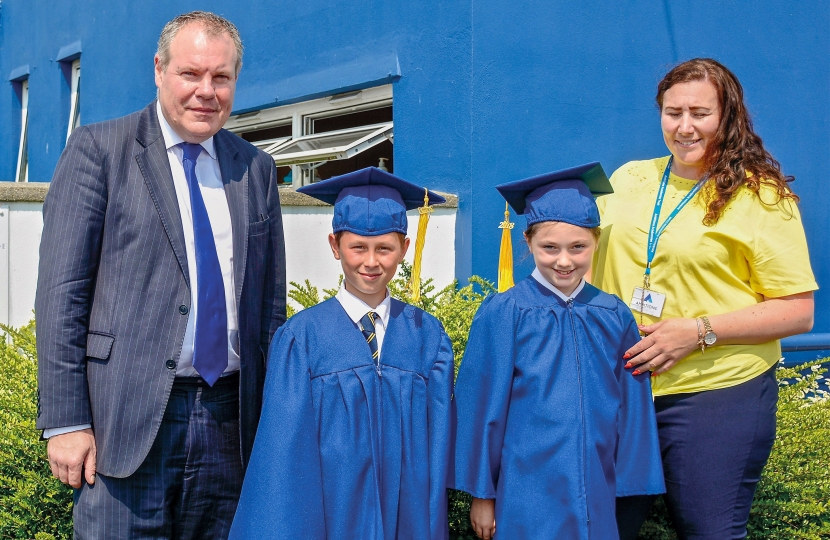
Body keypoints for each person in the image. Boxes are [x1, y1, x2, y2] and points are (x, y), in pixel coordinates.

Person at [35, 11, 286, 538]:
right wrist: (66, 422)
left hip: (229, 421)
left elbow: (267, 306)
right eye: (191, 74)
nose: (206, 91)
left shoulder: (255, 168)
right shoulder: (99, 151)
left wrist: (272, 423)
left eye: (221, 77)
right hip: (124, 421)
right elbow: (62, 296)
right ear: (158, 69)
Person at [591, 58, 817, 539]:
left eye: (700, 113)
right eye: (673, 113)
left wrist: (697, 331)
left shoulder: (761, 197)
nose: (685, 126)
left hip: (715, 392)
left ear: (727, 116)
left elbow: (798, 310)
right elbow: (587, 263)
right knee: (601, 528)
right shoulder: (630, 179)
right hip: (623, 390)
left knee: (708, 530)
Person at [229, 167, 455, 540]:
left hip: (409, 515)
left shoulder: (426, 334)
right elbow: (283, 452)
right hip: (328, 514)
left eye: (384, 248)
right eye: (358, 248)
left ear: (404, 249)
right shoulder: (301, 338)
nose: (371, 262)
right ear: (335, 246)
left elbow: (439, 442)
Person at [452, 163, 665, 540]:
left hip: (598, 485)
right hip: (525, 490)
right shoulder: (505, 312)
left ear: (596, 243)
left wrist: (631, 482)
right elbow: (481, 406)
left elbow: (633, 405)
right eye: (549, 247)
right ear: (528, 243)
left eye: (578, 247)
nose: (564, 260)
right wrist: (482, 494)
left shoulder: (613, 314)